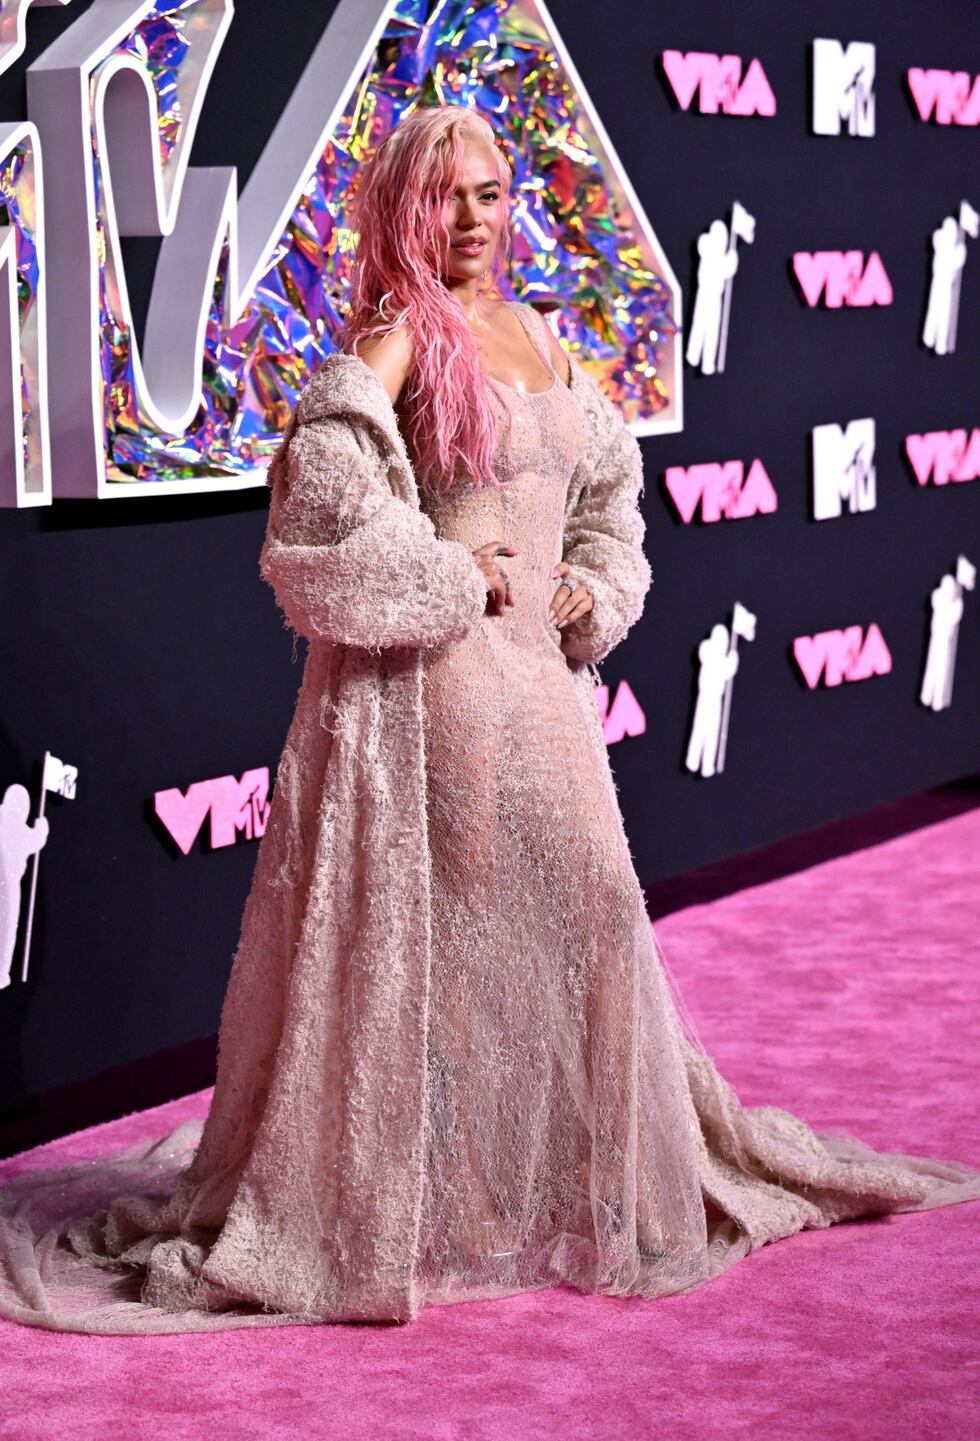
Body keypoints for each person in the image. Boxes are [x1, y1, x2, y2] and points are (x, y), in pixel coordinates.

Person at [0, 105, 978, 1337]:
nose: (471, 217)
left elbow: (606, 508)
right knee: (441, 956)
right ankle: (431, 1208)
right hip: (439, 693)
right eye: (445, 195)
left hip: (544, 692)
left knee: (583, 926)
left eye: (491, 192)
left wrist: (591, 585)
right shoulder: (400, 335)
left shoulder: (539, 335)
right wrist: (454, 571)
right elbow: (319, 513)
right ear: (404, 209)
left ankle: (563, 1185)